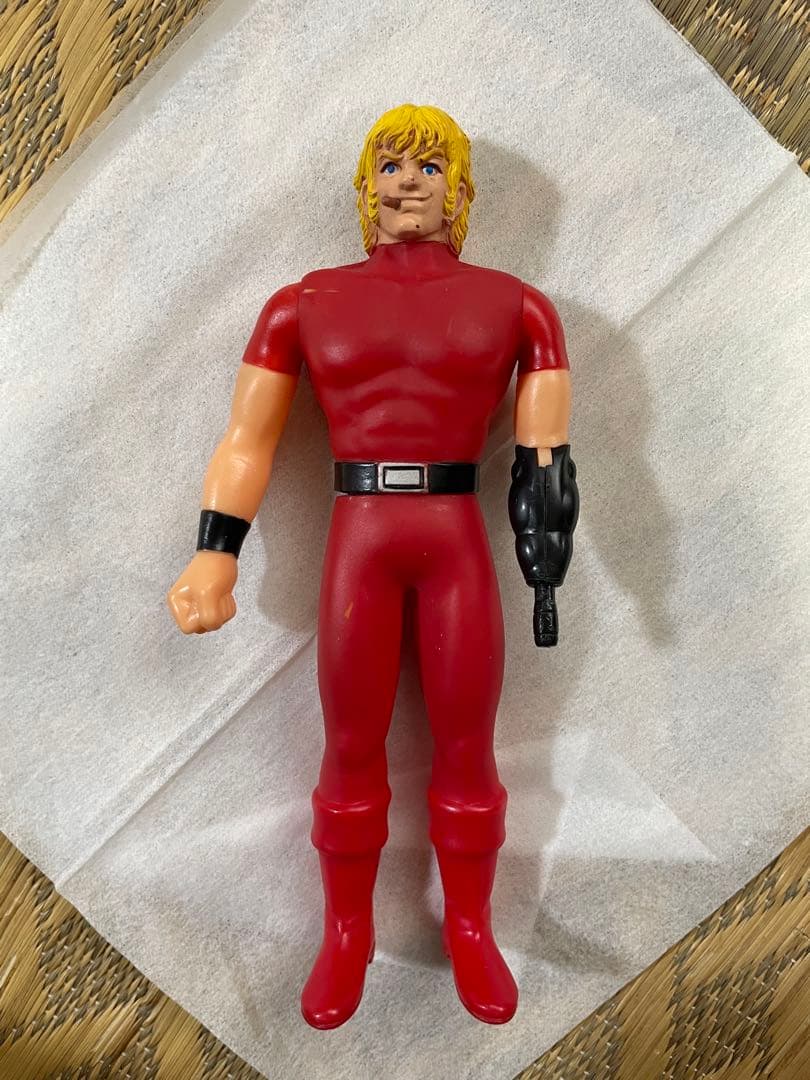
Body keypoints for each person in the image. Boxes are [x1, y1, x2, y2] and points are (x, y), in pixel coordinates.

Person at [168, 103, 578, 1029]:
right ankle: (345, 933)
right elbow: (246, 439)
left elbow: (547, 451)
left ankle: (469, 926)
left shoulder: (519, 306)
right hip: (360, 532)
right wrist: (213, 552)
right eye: (390, 164)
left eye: (428, 167)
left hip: (454, 533)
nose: (407, 182)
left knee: (468, 745)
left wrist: (546, 547)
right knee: (350, 746)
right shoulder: (303, 303)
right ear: (365, 185)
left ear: (459, 188)